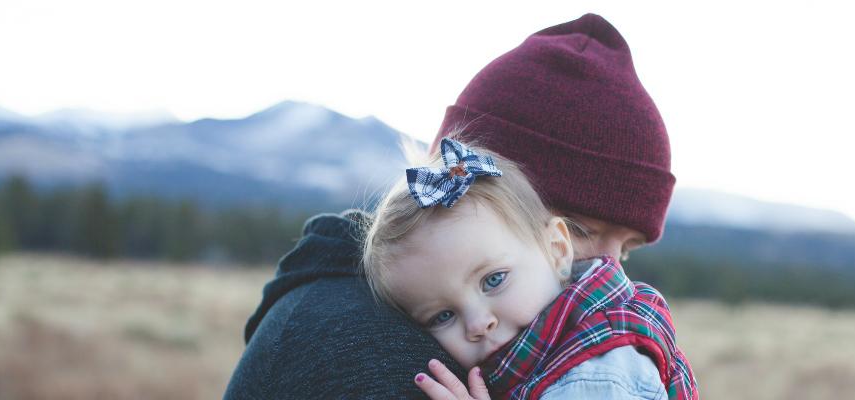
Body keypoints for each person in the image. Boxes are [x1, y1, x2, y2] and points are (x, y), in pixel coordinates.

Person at [224, 12, 684, 399]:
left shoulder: (570, 355)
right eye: (580, 228)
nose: (611, 272)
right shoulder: (379, 356)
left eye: (625, 250)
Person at [363, 137, 696, 399]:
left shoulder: (596, 371)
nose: (478, 324)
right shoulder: (546, 355)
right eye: (442, 316)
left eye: (493, 280)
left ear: (557, 249)